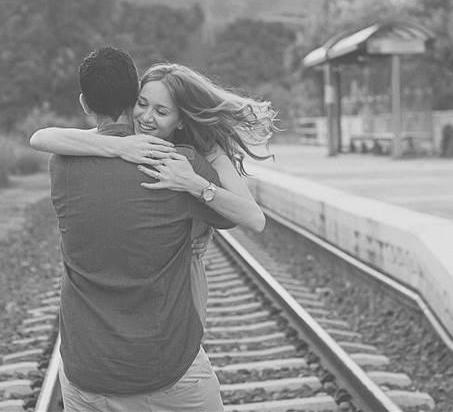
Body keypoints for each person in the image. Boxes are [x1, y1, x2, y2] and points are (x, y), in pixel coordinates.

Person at [49, 47, 232, 411]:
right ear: (136, 99)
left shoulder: (62, 163)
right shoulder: (178, 161)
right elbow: (228, 215)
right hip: (169, 370)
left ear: (85, 103)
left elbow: (49, 139)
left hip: (88, 373)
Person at [31, 61, 273, 322]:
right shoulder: (129, 136)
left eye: (161, 111)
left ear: (180, 119)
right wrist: (120, 147)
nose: (146, 118)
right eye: (142, 104)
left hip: (179, 275)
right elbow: (42, 138)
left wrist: (193, 184)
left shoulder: (208, 152)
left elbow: (255, 219)